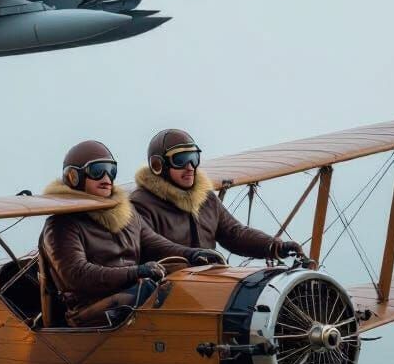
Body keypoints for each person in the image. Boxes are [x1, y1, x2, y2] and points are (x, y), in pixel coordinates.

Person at [41, 140, 220, 327]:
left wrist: (192, 253)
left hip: (134, 292)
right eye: (97, 171)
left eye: (111, 170)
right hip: (90, 310)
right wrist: (135, 273)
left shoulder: (126, 213)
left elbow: (154, 242)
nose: (106, 178)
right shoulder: (61, 224)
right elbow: (77, 275)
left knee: (182, 278)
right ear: (74, 177)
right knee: (152, 292)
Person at [132, 128, 304, 260]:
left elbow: (234, 233)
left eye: (194, 157)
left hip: (209, 282)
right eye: (181, 160)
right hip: (164, 292)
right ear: (158, 165)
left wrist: (275, 246)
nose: (190, 166)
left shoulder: (206, 198)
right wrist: (191, 255)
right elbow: (151, 246)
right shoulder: (141, 204)